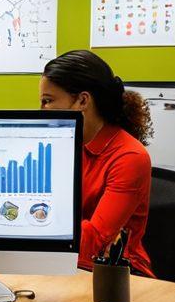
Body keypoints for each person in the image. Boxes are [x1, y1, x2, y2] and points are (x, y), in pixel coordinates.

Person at [39, 50, 154, 276]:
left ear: (82, 100)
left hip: (116, 274)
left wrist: (30, 228)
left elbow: (95, 241)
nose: (42, 111)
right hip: (62, 260)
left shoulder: (130, 157)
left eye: (47, 101)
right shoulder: (66, 144)